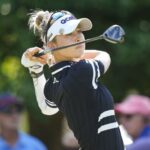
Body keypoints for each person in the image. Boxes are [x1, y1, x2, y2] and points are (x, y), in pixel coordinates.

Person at [21, 9, 124, 150]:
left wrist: (36, 69)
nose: (78, 37)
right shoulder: (82, 71)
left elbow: (47, 108)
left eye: (79, 31)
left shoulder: (53, 84)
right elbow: (104, 55)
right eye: (69, 34)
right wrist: (51, 58)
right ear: (52, 45)